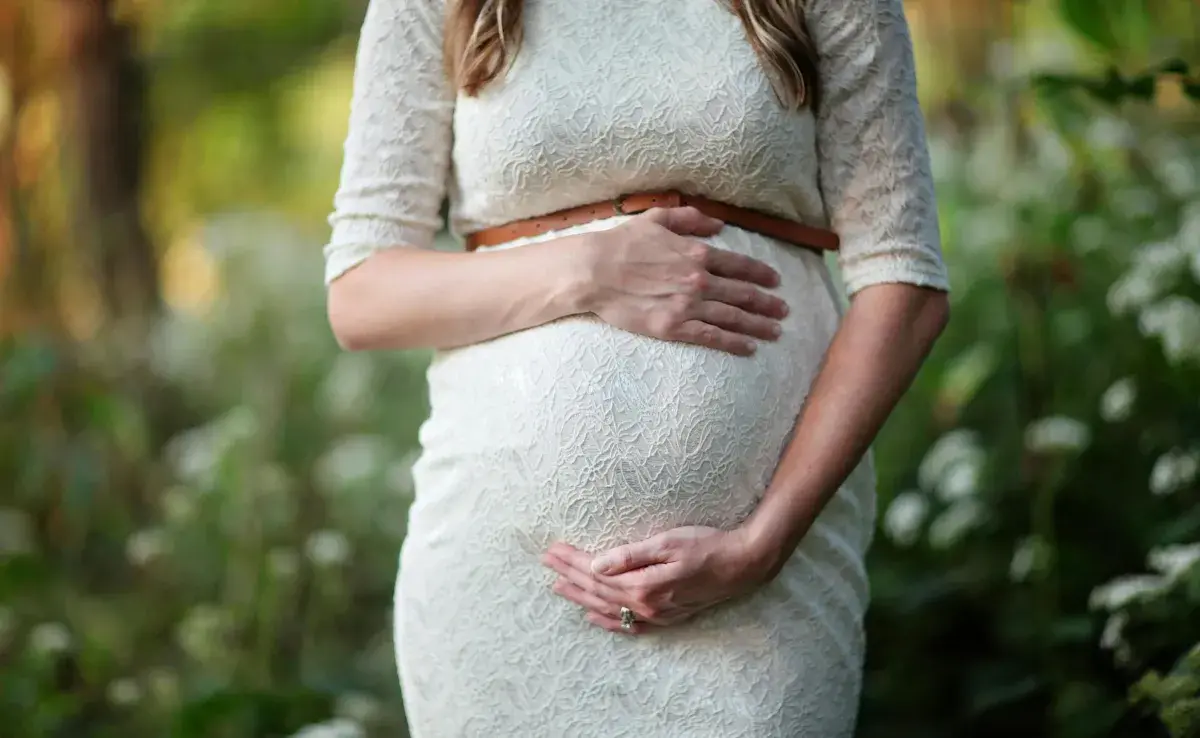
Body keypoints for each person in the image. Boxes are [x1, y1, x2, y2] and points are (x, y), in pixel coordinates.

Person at [323, 0, 950, 734]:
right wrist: (587, 268)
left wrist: (762, 545)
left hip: (764, 593)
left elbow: (904, 284)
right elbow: (361, 295)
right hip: (502, 586)